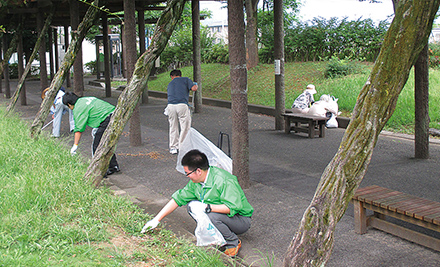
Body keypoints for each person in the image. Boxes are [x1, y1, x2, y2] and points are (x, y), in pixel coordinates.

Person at [141, 149, 253, 257]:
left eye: (187, 173)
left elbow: (232, 207)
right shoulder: (196, 182)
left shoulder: (223, 180)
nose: (187, 176)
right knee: (191, 207)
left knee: (211, 215)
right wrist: (156, 219)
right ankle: (217, 237)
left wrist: (207, 207)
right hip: (222, 216)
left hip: (240, 219)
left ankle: (233, 242)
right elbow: (178, 199)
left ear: (198, 171)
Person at [62, 92, 120, 176]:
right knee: (106, 142)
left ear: (69, 104)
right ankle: (113, 166)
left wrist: (75, 145)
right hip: (114, 113)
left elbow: (78, 129)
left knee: (97, 146)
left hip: (106, 119)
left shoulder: (78, 108)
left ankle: (98, 172)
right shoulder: (86, 99)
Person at [165, 69, 198, 154]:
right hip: (182, 106)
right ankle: (183, 146)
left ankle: (173, 147)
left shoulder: (170, 84)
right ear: (180, 75)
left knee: (173, 126)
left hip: (170, 106)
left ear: (172, 77)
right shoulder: (185, 79)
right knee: (185, 126)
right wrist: (195, 85)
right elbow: (194, 88)